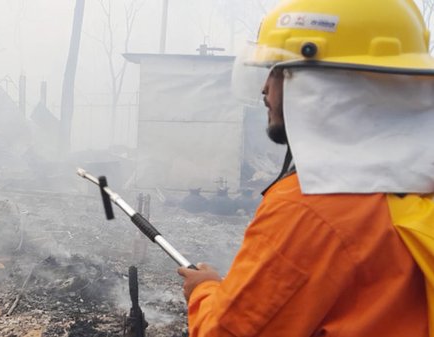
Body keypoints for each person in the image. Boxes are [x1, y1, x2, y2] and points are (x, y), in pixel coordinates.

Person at [178, 0, 434, 336]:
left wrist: (205, 290)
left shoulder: (309, 208)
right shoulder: (419, 185)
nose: (265, 89)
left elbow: (225, 332)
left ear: (320, 82)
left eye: (278, 71)